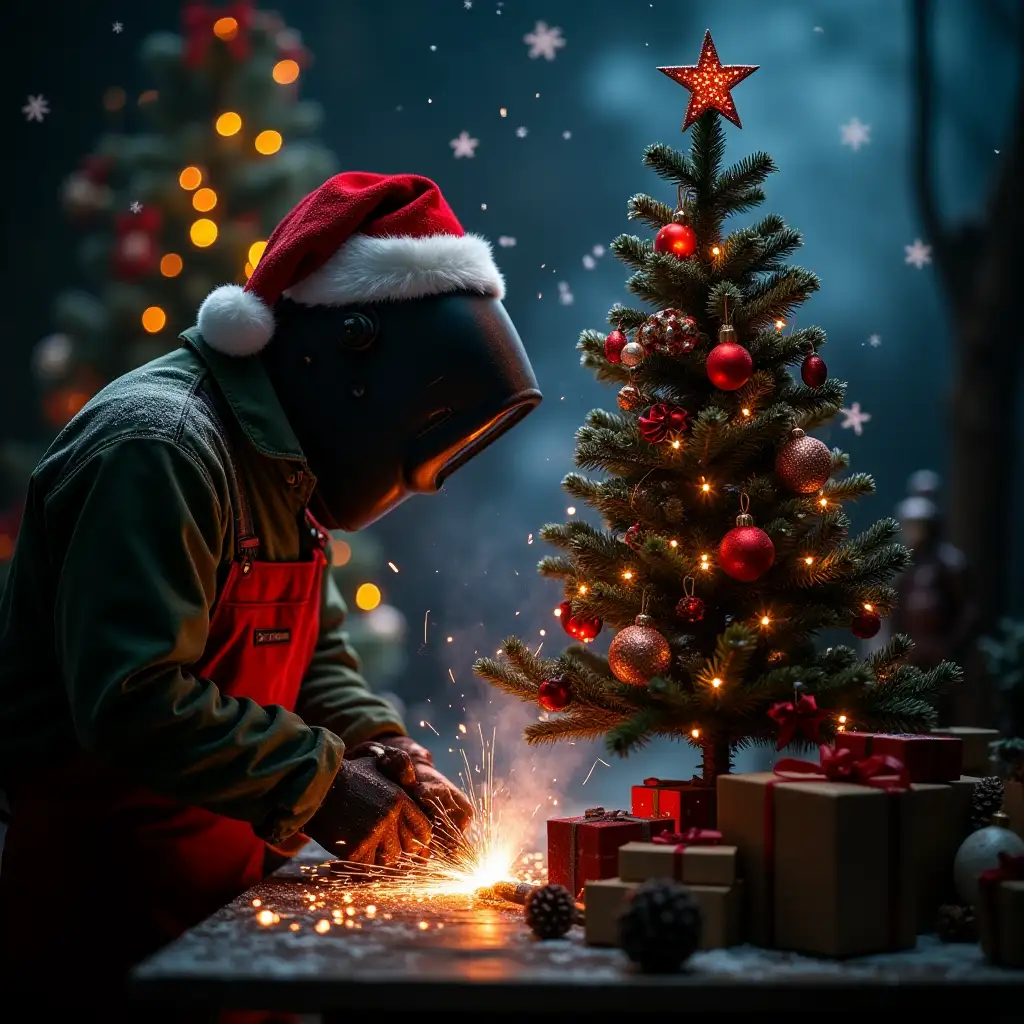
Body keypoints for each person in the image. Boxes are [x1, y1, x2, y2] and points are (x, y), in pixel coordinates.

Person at [0, 172, 542, 1008]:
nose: (425, 485)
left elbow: (314, 649)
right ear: (351, 347)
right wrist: (322, 785)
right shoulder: (162, 449)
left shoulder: (278, 463)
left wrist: (378, 750)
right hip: (100, 923)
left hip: (217, 904)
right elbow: (132, 698)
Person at [892, 470, 982, 723]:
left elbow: (969, 611)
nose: (914, 533)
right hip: (912, 650)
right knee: (909, 707)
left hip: (940, 650)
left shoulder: (949, 563)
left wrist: (949, 643)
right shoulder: (907, 568)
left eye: (919, 525)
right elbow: (897, 608)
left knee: (943, 710)